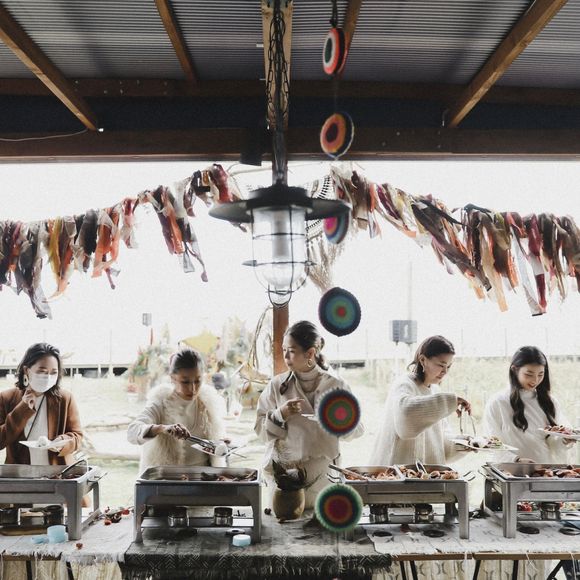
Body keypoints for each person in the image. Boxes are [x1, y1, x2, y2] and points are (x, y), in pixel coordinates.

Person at [255, 320, 364, 508]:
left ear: (310, 353)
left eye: (291, 351)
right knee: (284, 523)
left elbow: (358, 430)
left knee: (320, 523)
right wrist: (280, 414)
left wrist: (340, 423)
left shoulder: (337, 386)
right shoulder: (277, 386)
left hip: (324, 481)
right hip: (286, 483)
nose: (285, 356)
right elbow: (259, 430)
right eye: (284, 350)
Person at [369, 335, 471, 466]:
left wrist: (466, 443)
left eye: (449, 367)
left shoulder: (435, 391)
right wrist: (449, 402)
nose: (445, 371)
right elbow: (405, 418)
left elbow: (441, 444)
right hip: (394, 471)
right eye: (441, 365)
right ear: (423, 360)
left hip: (426, 475)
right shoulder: (404, 384)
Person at [127, 347, 227, 472]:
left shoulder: (209, 403)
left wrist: (220, 442)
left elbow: (213, 442)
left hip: (205, 478)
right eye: (185, 382)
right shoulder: (161, 402)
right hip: (169, 479)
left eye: (197, 381)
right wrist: (162, 428)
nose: (193, 389)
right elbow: (132, 432)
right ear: (172, 378)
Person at [483, 345, 575, 463]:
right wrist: (517, 460)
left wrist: (564, 440)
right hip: (511, 470)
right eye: (529, 374)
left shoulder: (549, 402)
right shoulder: (498, 402)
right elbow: (492, 444)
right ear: (514, 369)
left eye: (540, 374)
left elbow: (553, 443)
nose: (535, 380)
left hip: (544, 469)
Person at [0, 342, 83, 465]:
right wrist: (22, 409)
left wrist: (61, 442)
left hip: (57, 472)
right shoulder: (6, 398)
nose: (48, 377)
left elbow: (77, 437)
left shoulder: (65, 398)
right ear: (27, 370)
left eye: (53, 373)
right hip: (20, 473)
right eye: (42, 371)